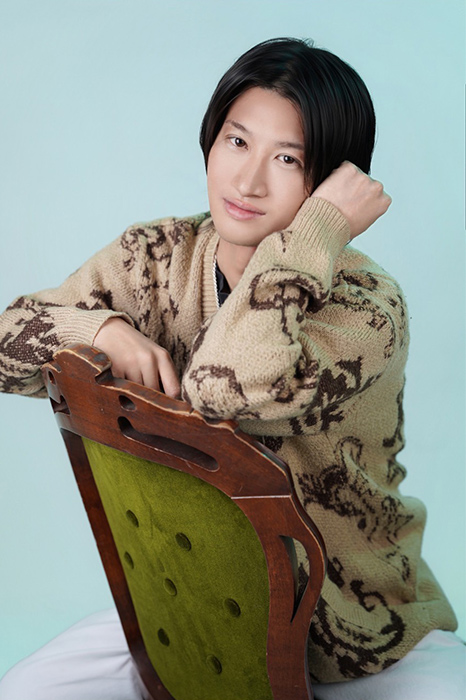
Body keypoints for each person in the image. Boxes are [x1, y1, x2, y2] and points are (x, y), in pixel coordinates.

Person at [0, 37, 464, 700]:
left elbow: (226, 389)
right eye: (237, 141)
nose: (247, 182)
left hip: (351, 637)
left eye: (288, 159)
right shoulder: (157, 256)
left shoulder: (367, 308)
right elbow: (6, 343)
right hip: (195, 617)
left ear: (333, 184)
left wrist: (313, 234)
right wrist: (98, 329)